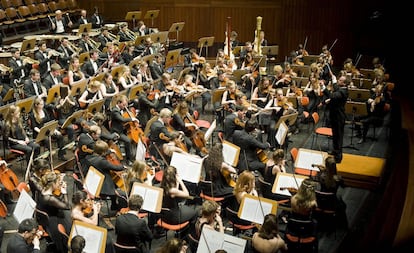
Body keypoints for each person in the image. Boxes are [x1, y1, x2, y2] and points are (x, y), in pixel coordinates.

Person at [83, 140, 125, 210]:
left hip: (93, 180)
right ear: (102, 152)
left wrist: (110, 151)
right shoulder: (102, 161)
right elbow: (116, 168)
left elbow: (105, 152)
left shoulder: (88, 157)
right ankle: (114, 206)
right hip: (102, 186)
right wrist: (123, 166)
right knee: (118, 193)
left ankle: (114, 204)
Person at [37, 171, 71, 252]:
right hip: (52, 221)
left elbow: (57, 199)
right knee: (68, 219)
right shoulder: (49, 198)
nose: (59, 184)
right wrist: (64, 192)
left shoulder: (43, 190)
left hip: (46, 215)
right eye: (58, 182)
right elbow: (67, 206)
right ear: (53, 184)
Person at [322, 74, 348, 163]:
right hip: (334, 116)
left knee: (339, 137)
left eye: (340, 80)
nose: (338, 81)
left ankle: (338, 156)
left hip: (339, 117)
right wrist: (334, 81)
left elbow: (332, 95)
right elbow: (335, 92)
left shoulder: (343, 91)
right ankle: (335, 151)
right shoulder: (340, 89)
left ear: (344, 83)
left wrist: (325, 89)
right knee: (335, 135)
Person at [110, 94, 136, 165]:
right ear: (118, 103)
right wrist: (132, 119)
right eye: (124, 104)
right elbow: (122, 120)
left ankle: (133, 155)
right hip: (117, 132)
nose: (125, 106)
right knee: (128, 141)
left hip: (122, 129)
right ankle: (129, 160)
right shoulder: (115, 111)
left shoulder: (121, 109)